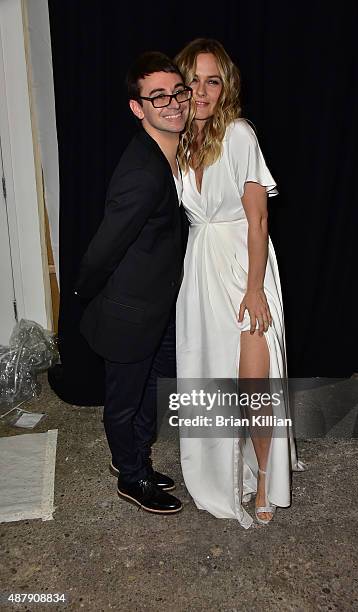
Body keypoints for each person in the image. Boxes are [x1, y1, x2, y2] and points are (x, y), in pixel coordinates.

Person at [175, 39, 304, 528]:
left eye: (213, 80)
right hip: (201, 267)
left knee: (256, 382)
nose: (203, 91)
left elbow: (259, 220)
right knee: (211, 373)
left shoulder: (239, 134)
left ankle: (268, 477)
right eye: (194, 81)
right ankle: (224, 470)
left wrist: (255, 289)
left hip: (244, 264)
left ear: (225, 86)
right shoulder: (180, 140)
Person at [75, 52, 192, 515]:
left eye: (177, 92)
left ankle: (135, 459)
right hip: (130, 311)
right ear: (137, 107)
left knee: (149, 392)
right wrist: (83, 297)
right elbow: (104, 247)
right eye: (157, 96)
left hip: (155, 305)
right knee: (125, 401)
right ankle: (131, 476)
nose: (173, 103)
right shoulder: (143, 174)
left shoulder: (163, 153)